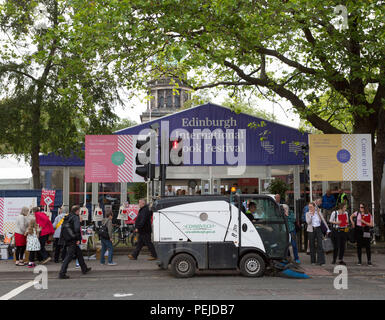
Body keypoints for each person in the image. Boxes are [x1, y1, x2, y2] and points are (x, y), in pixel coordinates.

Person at [59, 205, 91, 279]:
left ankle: (84, 268)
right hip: (73, 240)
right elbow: (77, 229)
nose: (79, 212)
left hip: (67, 239)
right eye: (79, 211)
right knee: (69, 257)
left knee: (79, 254)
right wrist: (77, 239)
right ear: (77, 211)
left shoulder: (68, 217)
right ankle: (62, 273)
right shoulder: (75, 217)